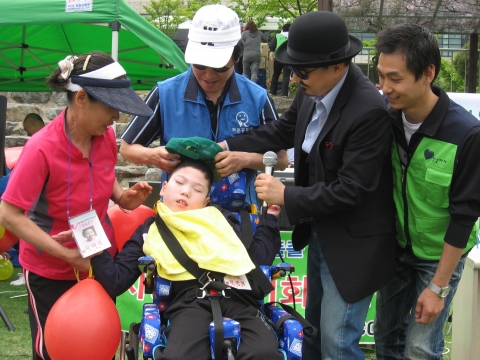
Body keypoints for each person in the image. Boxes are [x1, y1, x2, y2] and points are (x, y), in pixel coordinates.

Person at [215, 11, 396, 359]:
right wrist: (226, 146)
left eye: (303, 71)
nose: (295, 78)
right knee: (310, 333)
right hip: (320, 231)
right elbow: (281, 131)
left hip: (353, 246)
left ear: (338, 67)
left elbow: (353, 189)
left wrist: (286, 195)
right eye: (294, 69)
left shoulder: (368, 111)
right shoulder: (314, 88)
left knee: (337, 342)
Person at [0, 52, 153, 360]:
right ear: (81, 98)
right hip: (49, 271)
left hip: (97, 260)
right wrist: (67, 255)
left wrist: (122, 198)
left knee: (97, 346)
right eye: (112, 108)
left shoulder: (105, 135)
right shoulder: (41, 148)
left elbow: (103, 174)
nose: (117, 118)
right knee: (54, 350)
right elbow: (9, 214)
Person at [79, 159, 284, 360]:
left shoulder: (222, 221)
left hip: (239, 297)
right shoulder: (148, 231)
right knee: (180, 356)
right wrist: (92, 243)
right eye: (179, 183)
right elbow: (117, 280)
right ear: (164, 188)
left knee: (264, 353)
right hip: (187, 303)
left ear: (206, 202)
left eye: (197, 189)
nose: (186, 191)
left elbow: (257, 259)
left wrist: (271, 221)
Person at [374, 23, 480, 360]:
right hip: (396, 249)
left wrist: (438, 287)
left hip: (439, 255)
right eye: (380, 76)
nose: (384, 87)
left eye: (395, 78)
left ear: (428, 74)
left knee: (420, 347)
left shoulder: (466, 133)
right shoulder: (384, 120)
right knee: (386, 340)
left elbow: (465, 216)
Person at [120, 4, 287, 209]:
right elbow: (127, 148)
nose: (208, 75)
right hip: (180, 216)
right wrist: (153, 156)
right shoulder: (166, 93)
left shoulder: (257, 97)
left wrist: (244, 159)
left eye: (218, 67)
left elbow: (281, 159)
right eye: (199, 65)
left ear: (237, 57)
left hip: (236, 216)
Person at [269, 23, 292, 98]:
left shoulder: (277, 35)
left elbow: (272, 46)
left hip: (278, 58)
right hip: (288, 58)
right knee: (286, 76)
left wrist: (271, 55)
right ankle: (284, 94)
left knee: (276, 74)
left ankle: (272, 91)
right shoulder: (292, 36)